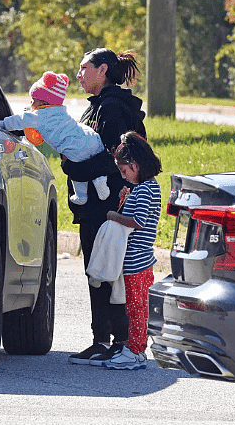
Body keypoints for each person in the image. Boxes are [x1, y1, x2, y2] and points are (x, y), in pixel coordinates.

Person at [67, 48, 148, 366]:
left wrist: (74, 167)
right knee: (104, 272)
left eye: (84, 67)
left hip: (107, 206)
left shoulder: (111, 108)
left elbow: (113, 157)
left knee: (104, 273)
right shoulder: (106, 105)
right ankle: (109, 340)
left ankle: (114, 341)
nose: (79, 74)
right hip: (102, 206)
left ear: (102, 70)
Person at [0, 71, 115, 206]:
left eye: (33, 98)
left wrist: (1, 124)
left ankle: (81, 196)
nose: (31, 102)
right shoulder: (60, 111)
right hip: (91, 139)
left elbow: (19, 120)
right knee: (95, 164)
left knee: (77, 170)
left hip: (74, 148)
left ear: (43, 101)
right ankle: (101, 182)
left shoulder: (39, 115)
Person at [100, 131, 162, 370]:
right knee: (135, 307)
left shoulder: (146, 190)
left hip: (137, 261)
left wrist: (114, 216)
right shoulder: (145, 188)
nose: (123, 176)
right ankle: (135, 350)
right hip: (139, 260)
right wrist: (126, 197)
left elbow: (138, 221)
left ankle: (135, 350)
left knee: (137, 309)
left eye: (125, 171)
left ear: (135, 165)